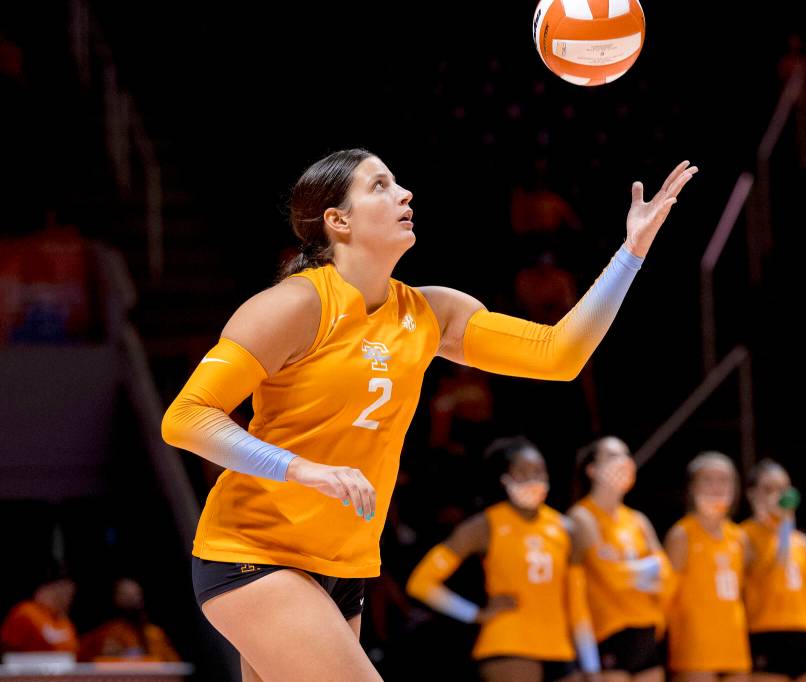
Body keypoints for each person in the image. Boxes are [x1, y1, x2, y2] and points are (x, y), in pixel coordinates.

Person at [160, 147, 699, 681]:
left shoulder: (430, 312)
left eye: (397, 182)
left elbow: (559, 355)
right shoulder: (295, 305)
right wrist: (300, 468)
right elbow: (186, 417)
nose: (404, 193)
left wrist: (630, 253)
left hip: (344, 565)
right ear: (338, 221)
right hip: (255, 550)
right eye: (380, 185)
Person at [406, 437, 599, 681]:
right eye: (522, 472)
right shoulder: (485, 525)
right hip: (507, 645)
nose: (533, 479)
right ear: (504, 478)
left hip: (561, 650)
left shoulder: (566, 528)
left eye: (539, 471)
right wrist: (473, 614)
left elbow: (578, 606)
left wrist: (592, 666)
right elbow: (420, 583)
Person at [570, 436, 672, 681]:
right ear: (592, 470)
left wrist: (627, 570)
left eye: (626, 455)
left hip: (647, 630)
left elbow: (667, 575)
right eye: (613, 456)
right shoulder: (582, 516)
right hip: (609, 631)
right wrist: (647, 570)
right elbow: (610, 576)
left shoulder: (637, 519)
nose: (624, 462)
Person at [741, 460, 806, 681]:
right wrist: (777, 528)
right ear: (752, 495)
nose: (778, 496)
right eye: (768, 489)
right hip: (766, 632)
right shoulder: (743, 535)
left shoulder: (804, 543)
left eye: (783, 489)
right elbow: (764, 570)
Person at [663, 452, 751, 680]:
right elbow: (665, 595)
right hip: (695, 647)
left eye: (723, 480)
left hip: (735, 645)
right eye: (708, 480)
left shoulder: (739, 537)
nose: (716, 487)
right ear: (692, 488)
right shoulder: (682, 534)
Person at [77, 578, 180, 662]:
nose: (132, 599)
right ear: (115, 598)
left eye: (136, 594)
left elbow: (174, 665)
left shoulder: (155, 634)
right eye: (125, 595)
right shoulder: (105, 633)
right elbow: (80, 662)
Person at [0, 570, 77, 654]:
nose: (66, 600)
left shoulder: (65, 622)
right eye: (61, 593)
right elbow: (6, 649)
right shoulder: (26, 612)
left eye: (69, 595)